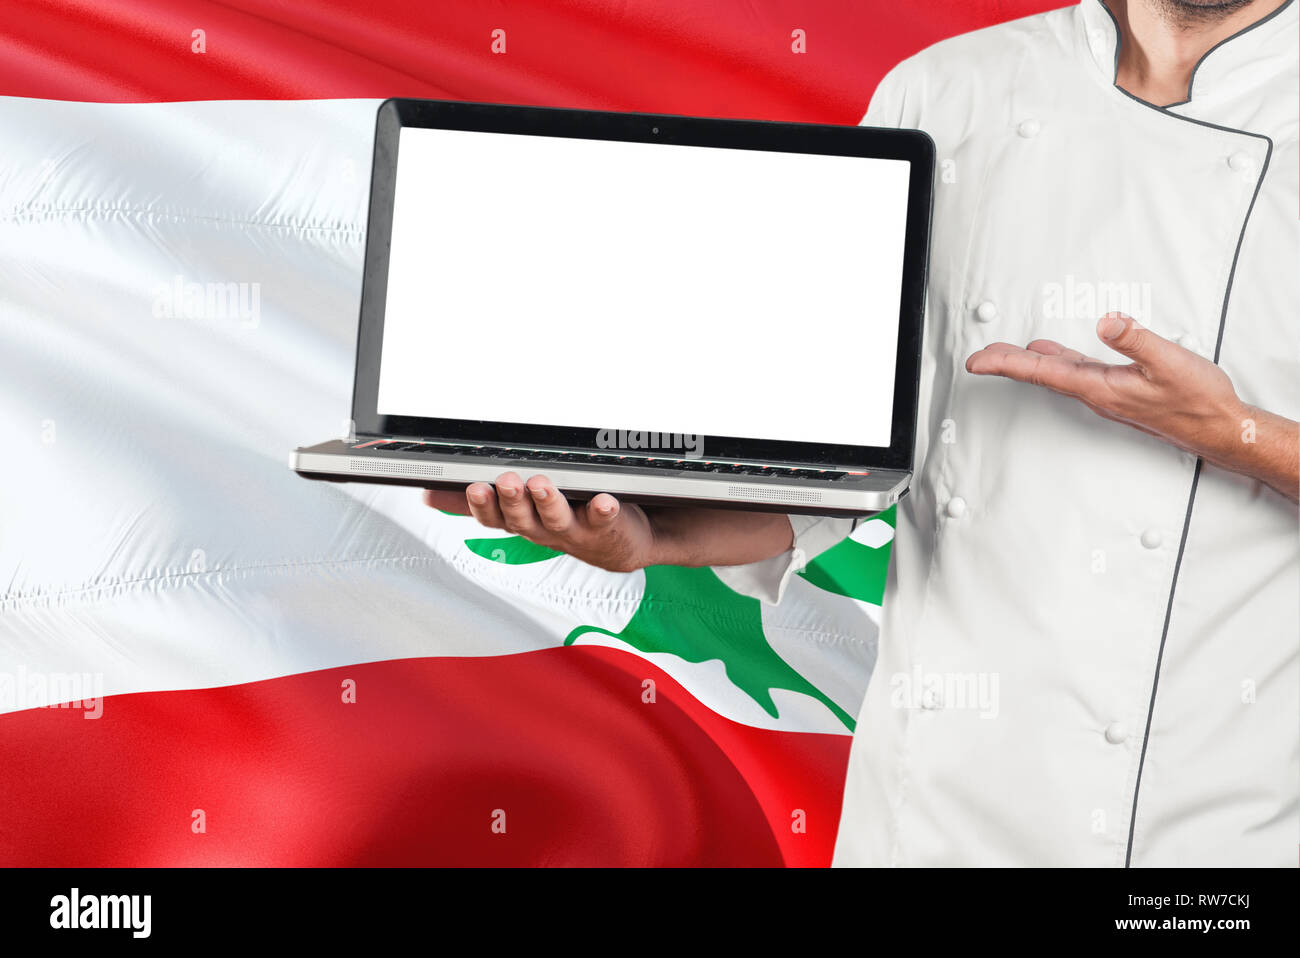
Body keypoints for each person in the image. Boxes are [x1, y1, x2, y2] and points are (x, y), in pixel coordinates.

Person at [426, 0, 1299, 865]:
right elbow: (846, 467)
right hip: (933, 820)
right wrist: (653, 535)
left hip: (1215, 834)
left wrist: (1238, 435)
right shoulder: (946, 92)